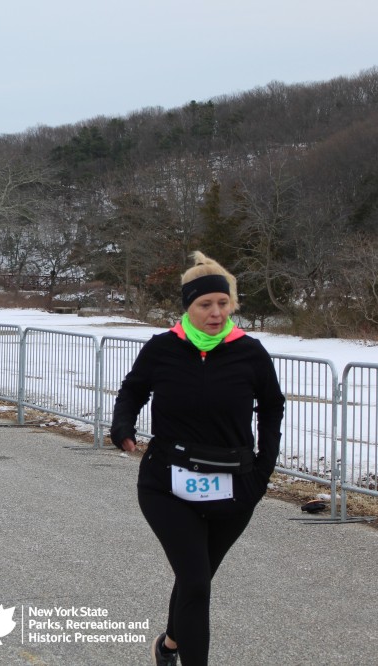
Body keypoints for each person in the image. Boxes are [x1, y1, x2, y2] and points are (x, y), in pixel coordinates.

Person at [110, 251, 285, 666]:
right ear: (188, 306)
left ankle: (170, 644)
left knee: (196, 580)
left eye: (223, 303)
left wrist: (262, 472)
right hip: (167, 484)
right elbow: (133, 390)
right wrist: (123, 427)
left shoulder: (250, 353)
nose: (216, 313)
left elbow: (272, 409)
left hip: (235, 486)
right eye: (205, 304)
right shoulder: (163, 348)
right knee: (196, 581)